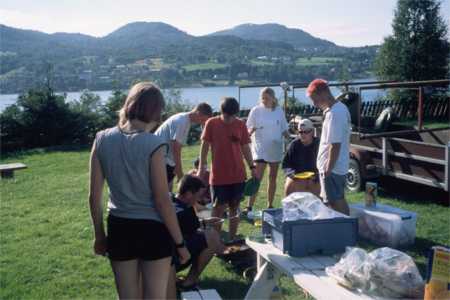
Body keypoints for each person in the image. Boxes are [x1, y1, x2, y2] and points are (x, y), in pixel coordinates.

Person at [88, 82, 190, 299]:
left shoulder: (102, 139)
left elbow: (93, 197)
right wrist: (180, 244)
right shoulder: (154, 144)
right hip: (153, 230)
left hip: (119, 227)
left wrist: (99, 235)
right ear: (156, 111)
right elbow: (162, 200)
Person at [197, 97, 257, 242]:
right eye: (227, 116)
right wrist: (201, 167)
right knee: (217, 208)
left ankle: (232, 239)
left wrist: (252, 166)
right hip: (218, 176)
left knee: (234, 208)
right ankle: (215, 242)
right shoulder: (211, 123)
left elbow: (245, 148)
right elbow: (204, 147)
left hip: (238, 175)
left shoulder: (240, 125)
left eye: (233, 116)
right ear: (222, 112)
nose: (230, 119)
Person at [167, 175, 224, 299]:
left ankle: (172, 278)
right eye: (198, 195)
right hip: (172, 261)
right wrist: (218, 244)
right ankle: (189, 282)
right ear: (188, 193)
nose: (200, 199)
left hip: (154, 262)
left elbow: (188, 226)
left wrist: (205, 222)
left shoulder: (170, 200)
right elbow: (196, 231)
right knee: (212, 236)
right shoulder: (185, 212)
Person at [306, 79, 351, 215]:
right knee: (333, 200)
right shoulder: (339, 108)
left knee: (336, 201)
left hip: (333, 169)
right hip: (334, 167)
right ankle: (343, 230)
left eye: (315, 99)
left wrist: (328, 169)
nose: (314, 103)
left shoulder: (334, 114)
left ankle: (346, 231)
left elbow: (335, 145)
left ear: (324, 93)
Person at [245, 87, 289, 213]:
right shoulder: (256, 110)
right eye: (262, 98)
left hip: (275, 147)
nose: (264, 100)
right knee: (257, 177)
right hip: (260, 148)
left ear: (273, 98)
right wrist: (250, 132)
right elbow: (248, 127)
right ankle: (249, 206)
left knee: (272, 177)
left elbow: (284, 128)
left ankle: (270, 205)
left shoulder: (279, 111)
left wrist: (290, 139)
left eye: (267, 98)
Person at [155, 103, 213, 187]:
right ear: (198, 113)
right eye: (203, 120)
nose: (204, 123)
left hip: (166, 159)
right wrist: (180, 173)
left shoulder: (184, 119)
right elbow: (176, 149)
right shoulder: (182, 122)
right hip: (161, 159)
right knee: (162, 190)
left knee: (168, 190)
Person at [282, 118, 320, 197]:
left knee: (314, 184)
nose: (303, 134)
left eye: (306, 132)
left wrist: (317, 175)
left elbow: (325, 164)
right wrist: (292, 174)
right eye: (300, 132)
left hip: (315, 176)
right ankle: (289, 207)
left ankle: (317, 207)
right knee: (289, 184)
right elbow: (286, 164)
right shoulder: (294, 145)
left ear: (312, 131)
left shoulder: (319, 144)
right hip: (297, 175)